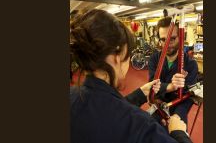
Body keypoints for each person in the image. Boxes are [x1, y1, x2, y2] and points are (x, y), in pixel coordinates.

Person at [70, 9, 192, 143]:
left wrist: (139, 94)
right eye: (128, 55)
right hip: (163, 114)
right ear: (117, 57)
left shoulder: (72, 96)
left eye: (172, 38)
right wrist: (179, 133)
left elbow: (107, 110)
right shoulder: (140, 124)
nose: (167, 43)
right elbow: (116, 112)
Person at [148, 17, 198, 125]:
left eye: (172, 38)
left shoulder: (191, 64)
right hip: (157, 107)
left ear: (180, 37)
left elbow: (190, 96)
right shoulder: (154, 59)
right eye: (163, 39)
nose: (167, 44)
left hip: (178, 110)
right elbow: (152, 85)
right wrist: (171, 87)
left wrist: (177, 115)